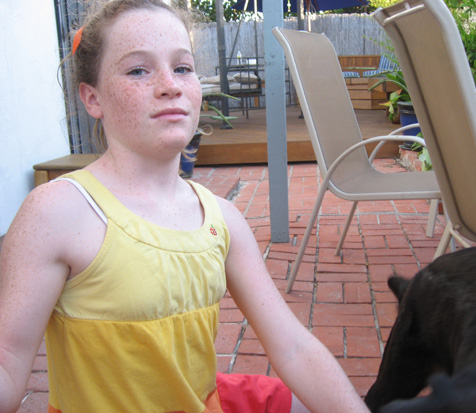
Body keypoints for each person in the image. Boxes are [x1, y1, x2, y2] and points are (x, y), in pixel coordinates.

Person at [0, 1, 370, 412]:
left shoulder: (221, 219)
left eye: (182, 67)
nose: (169, 85)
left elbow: (293, 347)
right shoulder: (58, 212)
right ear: (93, 98)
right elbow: (8, 362)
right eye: (138, 70)